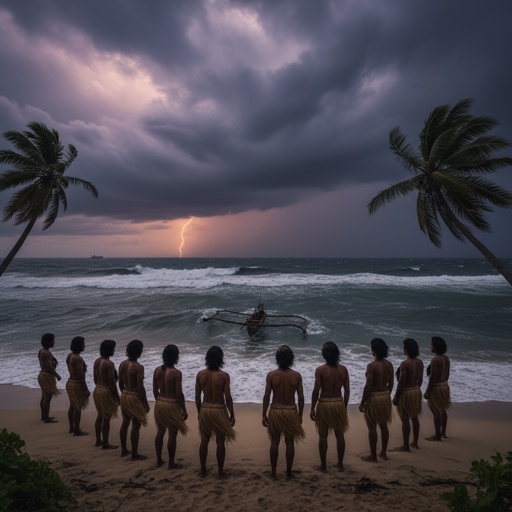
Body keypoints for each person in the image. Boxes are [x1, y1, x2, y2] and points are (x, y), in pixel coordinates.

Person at [262, 345, 305, 480]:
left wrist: (264, 414)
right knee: (290, 443)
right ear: (291, 358)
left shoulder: (271, 375)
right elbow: (301, 397)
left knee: (274, 442)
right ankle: (288, 473)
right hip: (290, 410)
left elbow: (267, 397)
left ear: (277, 359)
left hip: (275, 410)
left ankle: (273, 473)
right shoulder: (296, 376)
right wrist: (300, 415)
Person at [195, 346, 236, 478]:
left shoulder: (200, 374)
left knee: (204, 440)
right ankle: (220, 472)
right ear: (220, 359)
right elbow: (228, 398)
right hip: (219, 409)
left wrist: (199, 412)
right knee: (220, 441)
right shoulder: (224, 376)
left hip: (205, 408)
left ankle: (202, 470)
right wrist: (232, 414)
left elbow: (197, 397)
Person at [310, 341, 350, 472]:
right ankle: (340, 464)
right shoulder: (343, 369)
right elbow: (347, 391)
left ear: (324, 355)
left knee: (323, 435)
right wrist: (344, 406)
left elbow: (316, 391)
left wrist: (312, 408)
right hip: (338, 402)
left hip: (325, 403)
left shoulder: (320, 370)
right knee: (340, 434)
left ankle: (323, 466)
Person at [153, 344, 189, 469]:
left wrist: (160, 402)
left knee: (160, 432)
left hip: (160, 402)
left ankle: (159, 460)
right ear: (175, 357)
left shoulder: (157, 370)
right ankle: (171, 463)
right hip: (172, 404)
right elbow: (179, 394)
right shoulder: (176, 373)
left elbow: (154, 391)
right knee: (172, 434)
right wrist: (184, 410)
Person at [359, 338, 394, 462]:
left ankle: (373, 456)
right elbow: (391, 383)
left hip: (374, 397)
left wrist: (362, 402)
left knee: (372, 426)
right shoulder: (389, 364)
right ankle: (383, 453)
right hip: (385, 396)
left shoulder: (372, 366)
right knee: (384, 425)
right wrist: (385, 396)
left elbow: (368, 386)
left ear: (373, 351)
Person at [119, 339, 150, 460]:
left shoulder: (122, 364)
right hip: (134, 396)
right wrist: (145, 403)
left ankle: (124, 450)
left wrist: (124, 394)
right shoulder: (138, 367)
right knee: (136, 425)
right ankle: (134, 454)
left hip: (125, 394)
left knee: (125, 423)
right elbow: (140, 387)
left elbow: (120, 383)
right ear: (139, 351)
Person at [392, 338, 424, 451]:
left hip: (407, 392)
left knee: (405, 418)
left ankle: (405, 446)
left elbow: (401, 382)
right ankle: (415, 442)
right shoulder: (420, 362)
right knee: (415, 417)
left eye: (403, 346)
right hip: (416, 390)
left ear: (406, 349)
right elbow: (420, 380)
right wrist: (416, 390)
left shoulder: (405, 364)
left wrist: (396, 396)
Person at [93, 339, 120, 450]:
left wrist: (100, 387)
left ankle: (98, 440)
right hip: (105, 391)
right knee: (106, 418)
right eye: (113, 348)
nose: (114, 350)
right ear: (109, 350)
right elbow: (112, 382)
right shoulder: (109, 364)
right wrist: (117, 397)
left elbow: (95, 378)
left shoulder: (97, 361)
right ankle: (105, 443)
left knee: (100, 415)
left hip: (97, 389)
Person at [424, 336, 451, 441]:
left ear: (436, 346)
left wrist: (427, 392)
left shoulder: (435, 359)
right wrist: (444, 385)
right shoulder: (446, 358)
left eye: (431, 345)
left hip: (437, 387)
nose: (430, 346)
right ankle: (443, 432)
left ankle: (437, 435)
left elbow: (432, 378)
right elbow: (447, 374)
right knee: (443, 409)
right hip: (444, 385)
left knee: (435, 411)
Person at [66, 336, 90, 436]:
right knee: (78, 408)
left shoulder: (69, 355)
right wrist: (85, 389)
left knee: (72, 406)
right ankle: (77, 431)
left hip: (70, 382)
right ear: (79, 345)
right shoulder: (78, 359)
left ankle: (72, 427)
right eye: (83, 344)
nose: (84, 345)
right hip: (76, 384)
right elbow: (80, 376)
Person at [37, 332, 62, 423]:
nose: (54, 342)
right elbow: (49, 367)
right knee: (47, 397)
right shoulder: (47, 353)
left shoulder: (41, 351)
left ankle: (44, 416)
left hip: (42, 374)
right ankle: (46, 419)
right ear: (49, 342)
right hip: (46, 376)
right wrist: (57, 375)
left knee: (44, 396)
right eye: (53, 340)